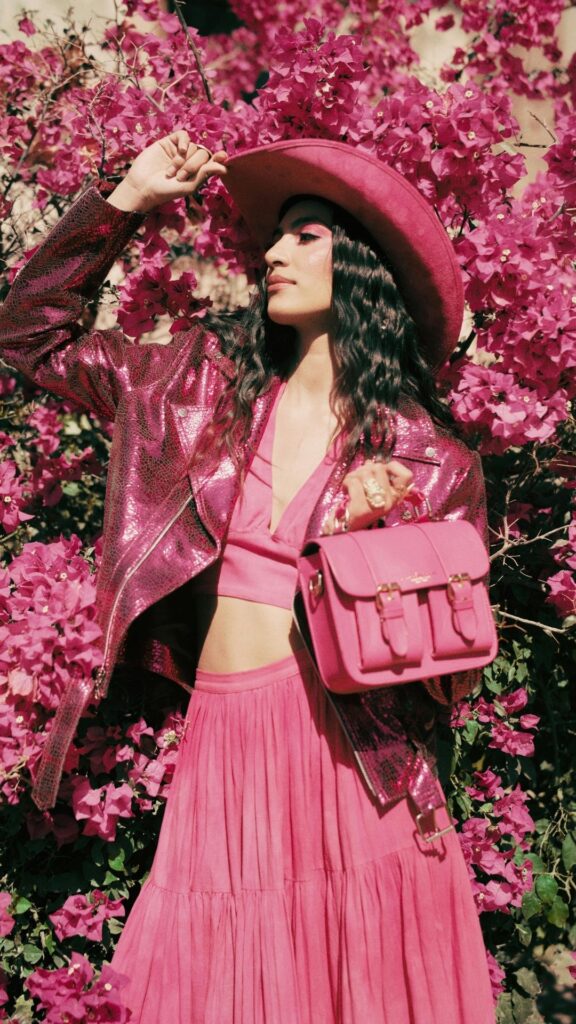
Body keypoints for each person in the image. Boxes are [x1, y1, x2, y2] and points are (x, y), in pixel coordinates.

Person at [0, 131, 496, 1023]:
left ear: (362, 266)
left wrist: (369, 541)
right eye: (275, 236)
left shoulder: (432, 461)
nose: (273, 252)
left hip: (351, 758)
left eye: (305, 236)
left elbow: (450, 679)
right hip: (223, 740)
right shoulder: (195, 388)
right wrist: (127, 200)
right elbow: (28, 334)